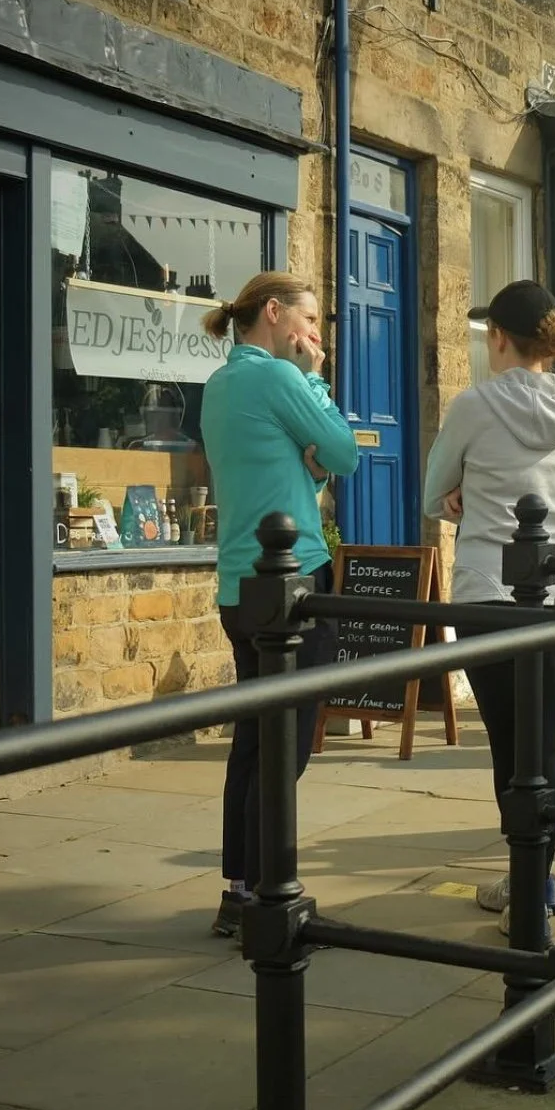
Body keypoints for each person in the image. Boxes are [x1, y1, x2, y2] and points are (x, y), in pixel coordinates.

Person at [424, 281, 555, 936]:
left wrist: (459, 495)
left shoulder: (475, 405)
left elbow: (433, 493)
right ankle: (541, 880)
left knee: (508, 748)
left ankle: (528, 889)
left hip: (488, 596)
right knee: (547, 743)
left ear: (499, 336)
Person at [200, 273, 359, 937]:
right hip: (294, 585)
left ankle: (238, 890)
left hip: (238, 587)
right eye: (311, 319)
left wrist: (309, 459)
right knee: (285, 746)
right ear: (274, 314)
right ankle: (270, 892)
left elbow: (301, 465)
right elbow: (345, 455)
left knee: (252, 740)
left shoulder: (219, 384)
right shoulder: (279, 377)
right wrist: (316, 377)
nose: (317, 335)